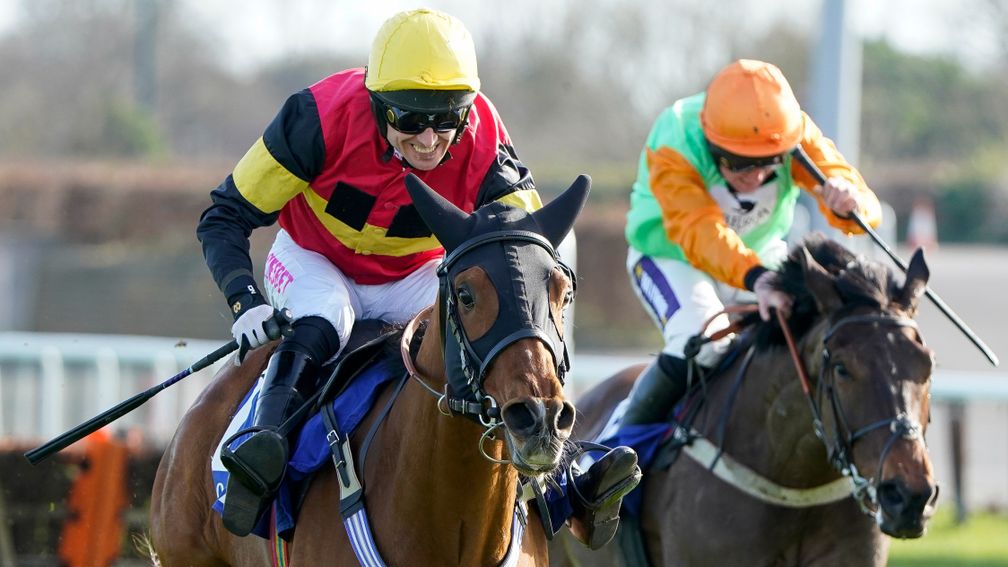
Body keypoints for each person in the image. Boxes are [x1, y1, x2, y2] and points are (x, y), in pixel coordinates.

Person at [196, 7, 639, 544]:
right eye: (409, 121)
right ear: (376, 103)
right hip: (314, 260)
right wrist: (246, 302)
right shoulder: (317, 117)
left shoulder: (483, 138)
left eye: (446, 120)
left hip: (413, 277)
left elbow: (526, 251)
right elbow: (225, 214)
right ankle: (260, 447)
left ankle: (562, 476)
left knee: (483, 333)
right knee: (328, 318)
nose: (429, 139)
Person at [621, 59, 883, 426]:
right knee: (706, 343)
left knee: (817, 330)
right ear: (711, 144)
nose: (756, 176)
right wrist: (758, 278)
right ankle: (612, 445)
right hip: (671, 257)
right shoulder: (676, 138)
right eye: (739, 164)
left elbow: (858, 197)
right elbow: (700, 232)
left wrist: (848, 200)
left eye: (769, 164)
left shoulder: (789, 130)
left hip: (757, 256)